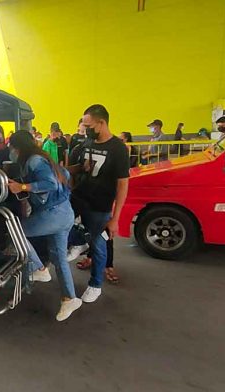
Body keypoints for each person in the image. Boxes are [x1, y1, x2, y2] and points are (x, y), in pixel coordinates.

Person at [6, 131, 82, 321]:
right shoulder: (44, 157)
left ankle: (39, 269)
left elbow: (50, 183)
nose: (11, 152)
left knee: (15, 230)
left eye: (12, 148)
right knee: (59, 258)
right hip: (65, 213)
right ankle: (69, 298)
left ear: (18, 148)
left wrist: (23, 187)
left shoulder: (33, 161)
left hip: (54, 214)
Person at [68, 104, 130, 302]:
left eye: (89, 126)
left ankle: (95, 285)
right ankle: (79, 241)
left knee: (98, 244)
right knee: (59, 222)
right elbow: (82, 167)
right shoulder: (88, 142)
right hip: (79, 197)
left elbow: (122, 185)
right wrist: (63, 170)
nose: (86, 130)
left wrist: (115, 218)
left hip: (100, 205)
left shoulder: (118, 149)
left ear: (101, 123)